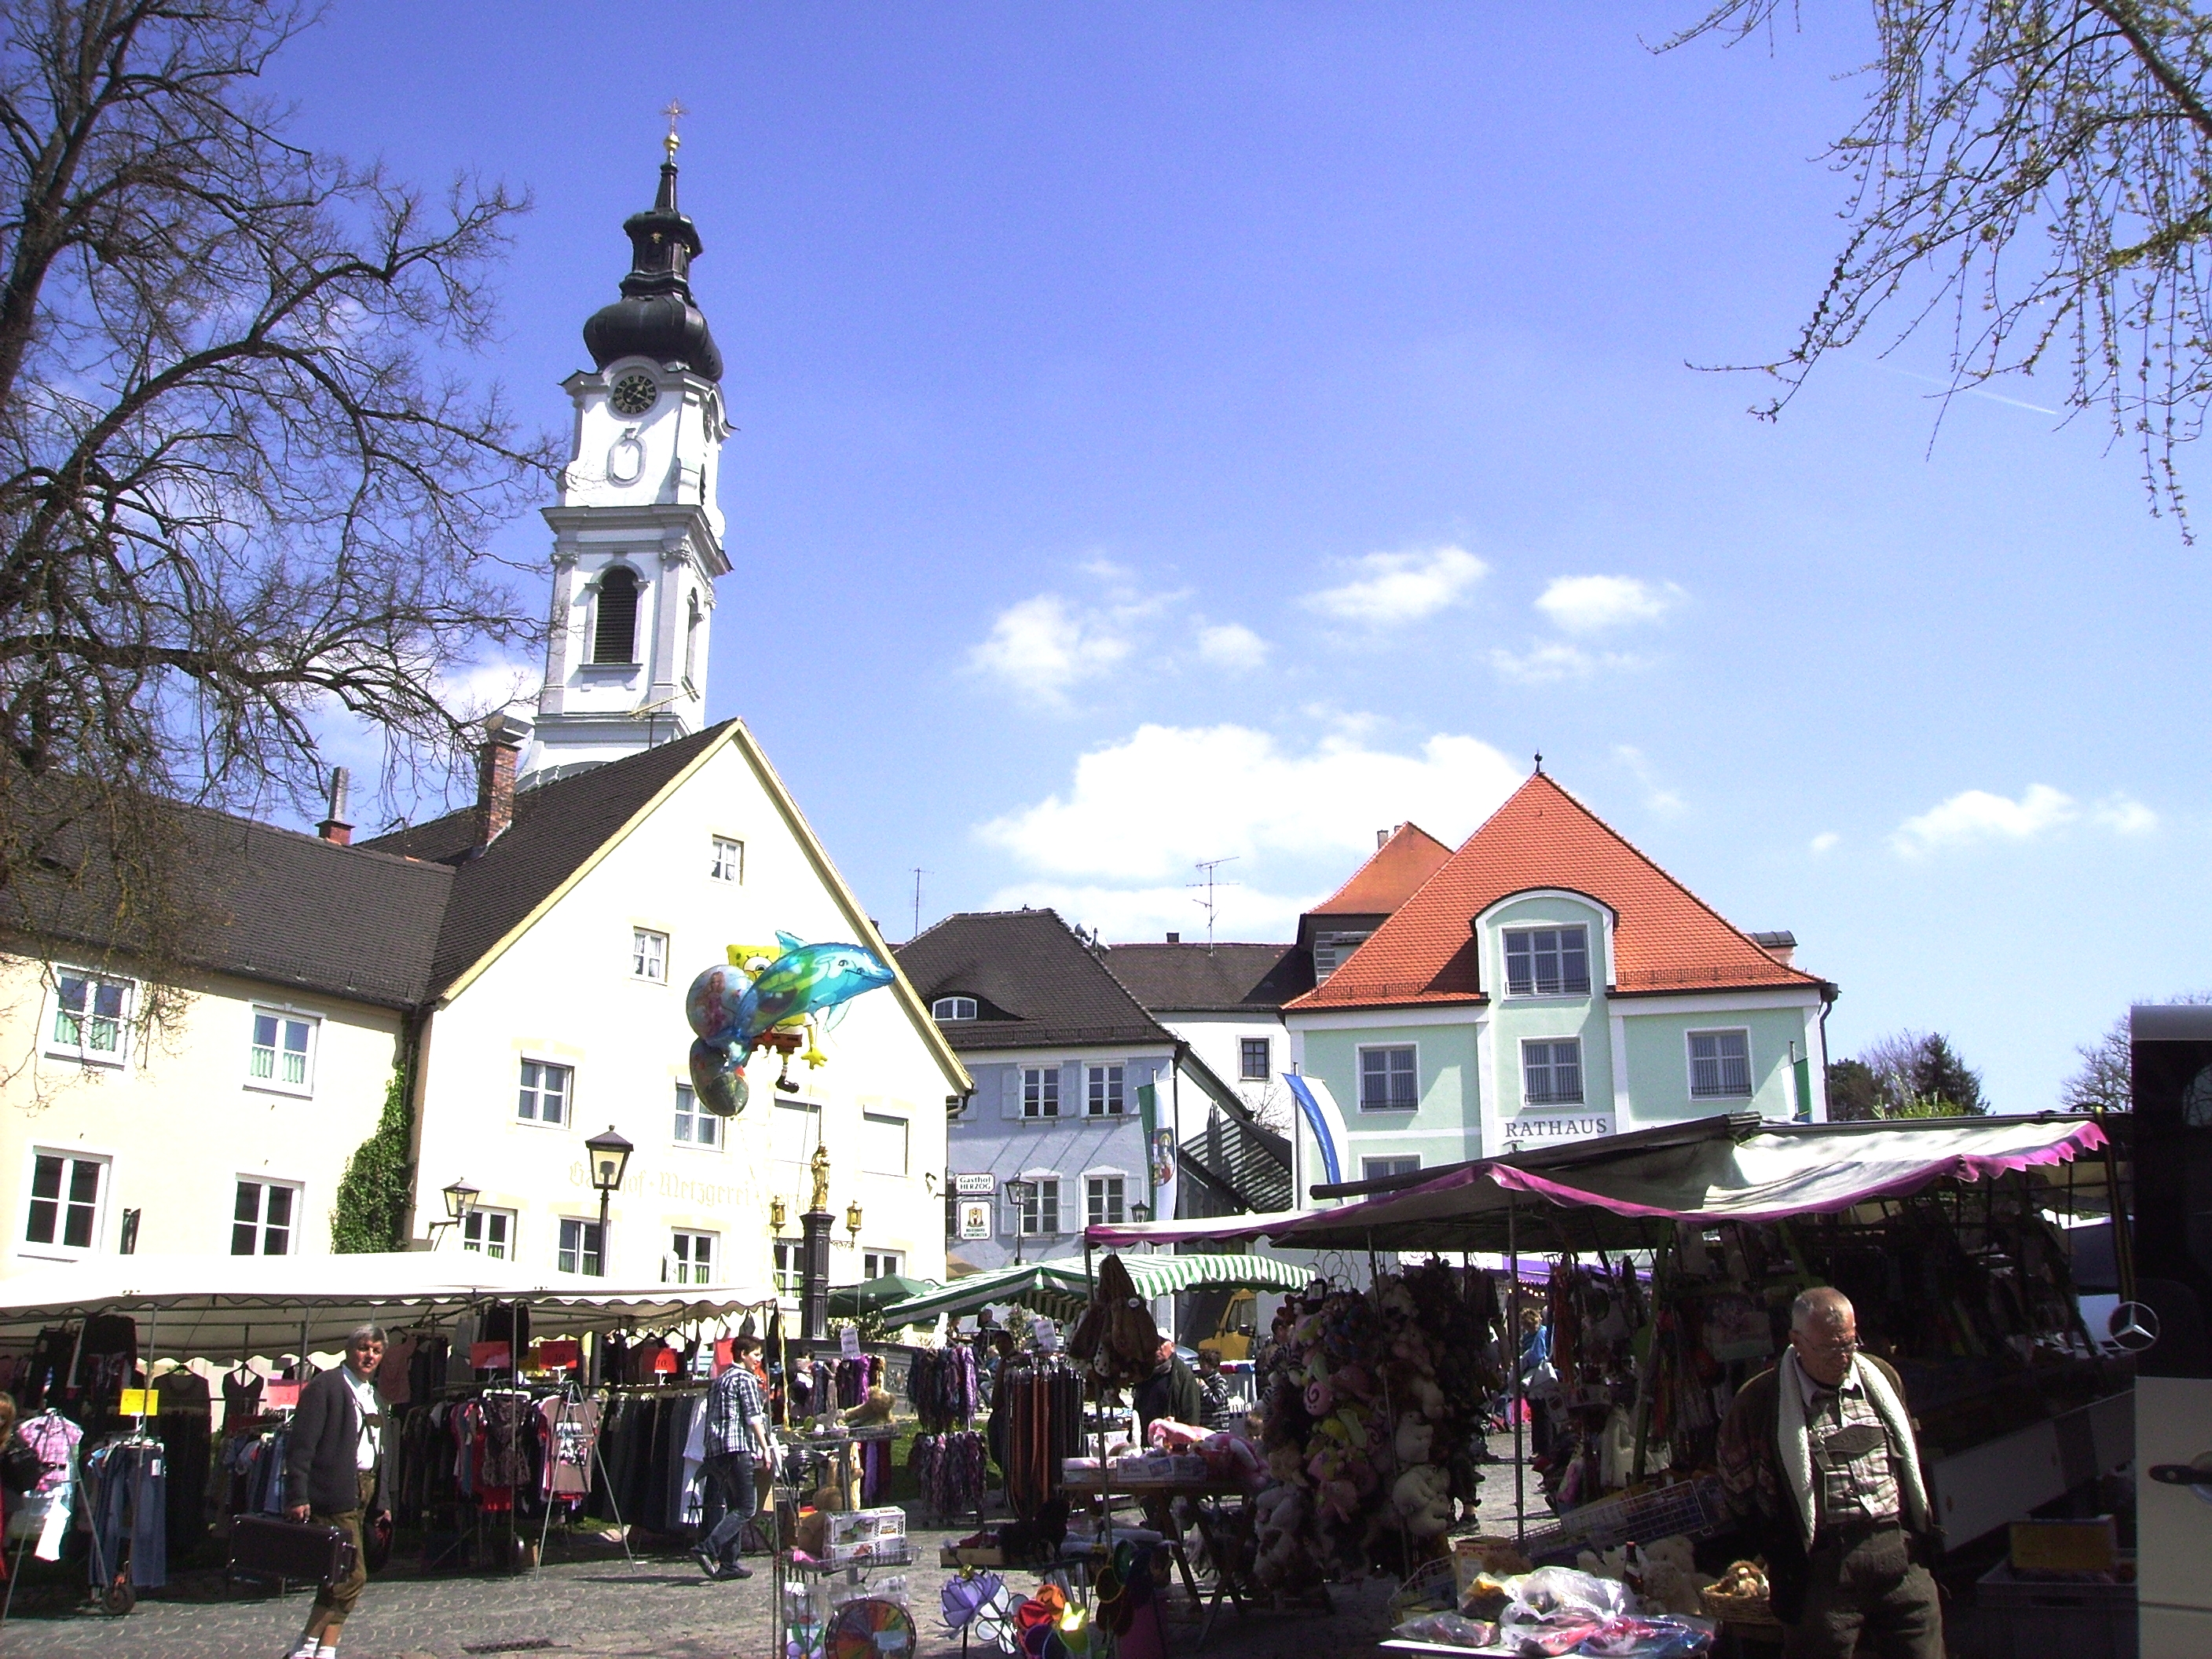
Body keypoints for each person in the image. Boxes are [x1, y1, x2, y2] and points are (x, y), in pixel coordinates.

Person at [1716, 1287, 1941, 1659]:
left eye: (1849, 1345)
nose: (1843, 1358)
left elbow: (1908, 1458)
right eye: (1829, 1348)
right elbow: (1736, 1492)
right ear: (1796, 1342)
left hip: (1896, 1552)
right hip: (1822, 1568)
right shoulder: (1759, 1402)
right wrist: (1783, 1554)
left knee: (1924, 1641)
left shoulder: (1881, 1378)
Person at [284, 1325, 390, 1659]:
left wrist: (382, 1501)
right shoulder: (326, 1387)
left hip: (364, 1491)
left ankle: (326, 1649)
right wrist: (297, 1495)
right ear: (349, 1350)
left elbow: (381, 1451)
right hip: (334, 1491)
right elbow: (302, 1446)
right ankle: (306, 1645)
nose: (369, 1355)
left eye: (375, 1350)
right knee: (352, 1576)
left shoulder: (374, 1394)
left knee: (336, 1577)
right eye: (363, 1348)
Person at [694, 1335, 769, 1581]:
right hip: (736, 1449)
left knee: (734, 1507)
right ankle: (708, 1548)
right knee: (747, 1507)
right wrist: (765, 1447)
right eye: (755, 1355)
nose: (758, 1360)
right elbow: (753, 1416)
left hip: (715, 1451)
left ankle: (729, 1564)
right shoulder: (745, 1379)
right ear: (743, 1354)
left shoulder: (720, 1380)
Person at [1132, 1338, 1202, 1435]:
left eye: (1161, 1343)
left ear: (1172, 1346)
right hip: (1146, 1439)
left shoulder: (1183, 1375)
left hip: (1172, 1442)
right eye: (1154, 1343)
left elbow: (1191, 1414)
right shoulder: (1146, 1374)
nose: (1157, 1348)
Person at [1194, 1346, 1235, 1431]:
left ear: (1211, 1365)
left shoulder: (1220, 1381)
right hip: (1203, 1427)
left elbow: (1215, 1401)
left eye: (1203, 1364)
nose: (1200, 1367)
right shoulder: (1198, 1378)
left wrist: (1203, 1387)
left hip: (1218, 1428)